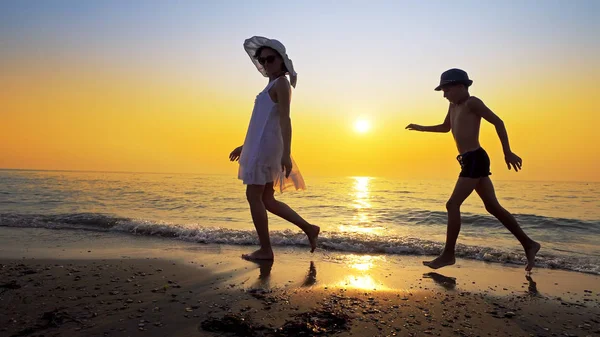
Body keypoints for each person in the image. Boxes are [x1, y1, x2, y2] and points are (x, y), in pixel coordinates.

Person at [406, 68, 541, 271]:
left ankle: (448, 254)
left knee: (452, 205)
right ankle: (529, 244)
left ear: (461, 86)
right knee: (493, 207)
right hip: (468, 160)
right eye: (442, 91)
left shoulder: (472, 103)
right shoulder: (453, 105)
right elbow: (446, 128)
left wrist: (508, 152)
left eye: (447, 89)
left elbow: (498, 122)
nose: (444, 95)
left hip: (475, 159)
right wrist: (422, 128)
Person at [229, 36, 320, 261]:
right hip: (258, 146)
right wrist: (245, 145)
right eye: (262, 61)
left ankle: (266, 250)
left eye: (270, 59)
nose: (266, 64)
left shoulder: (281, 83)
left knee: (253, 195)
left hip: (265, 149)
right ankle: (309, 228)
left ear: (282, 61)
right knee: (267, 199)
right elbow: (261, 121)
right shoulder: (271, 84)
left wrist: (286, 153)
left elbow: (285, 120)